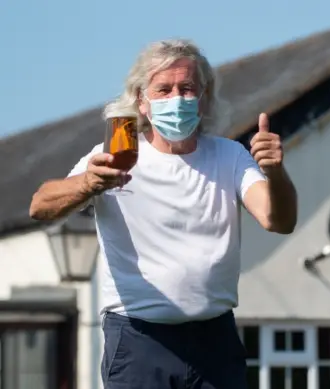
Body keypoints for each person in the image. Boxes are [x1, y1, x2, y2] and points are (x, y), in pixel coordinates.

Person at [29, 39, 298, 389]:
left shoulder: (229, 155)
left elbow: (278, 220)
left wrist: (275, 171)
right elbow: (40, 206)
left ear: (203, 98)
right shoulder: (114, 154)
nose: (177, 99)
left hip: (214, 339)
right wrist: (88, 183)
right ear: (142, 100)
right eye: (164, 89)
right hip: (139, 339)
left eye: (187, 88)